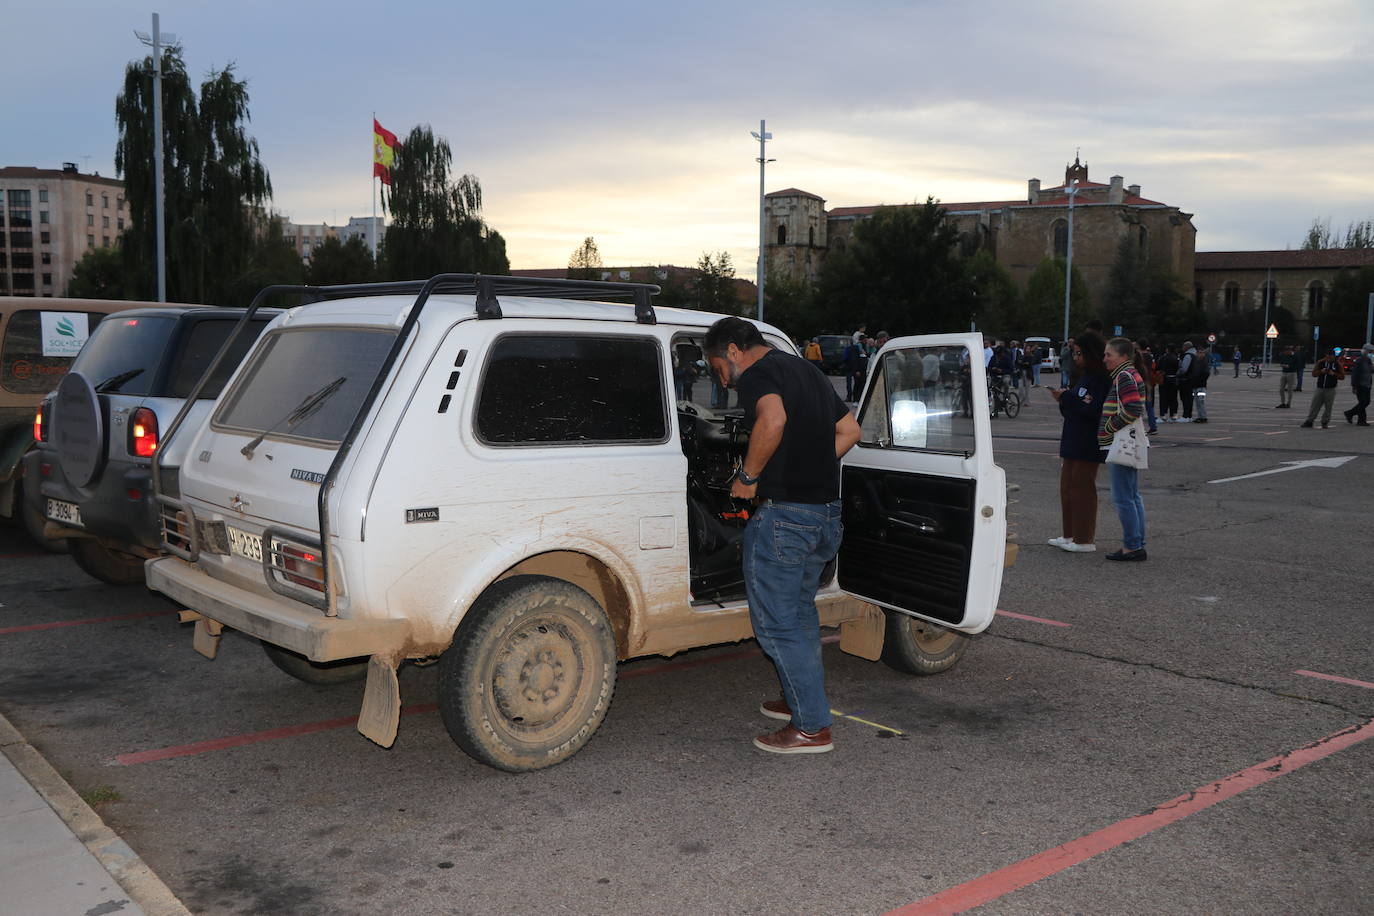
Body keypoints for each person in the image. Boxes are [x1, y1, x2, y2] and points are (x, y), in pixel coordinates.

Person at [704, 316, 862, 755]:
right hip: (825, 515)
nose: (721, 377)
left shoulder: (759, 375)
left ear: (733, 351)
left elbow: (771, 420)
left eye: (717, 366)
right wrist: (808, 466)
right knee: (799, 615)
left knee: (776, 625)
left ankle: (812, 727)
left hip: (786, 519)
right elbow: (851, 431)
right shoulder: (805, 369)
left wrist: (749, 476)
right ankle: (800, 699)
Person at [1048, 331, 1109, 553]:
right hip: (1073, 438)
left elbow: (1091, 409)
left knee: (1083, 489)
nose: (1075, 358)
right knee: (1068, 487)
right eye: (1074, 353)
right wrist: (1064, 398)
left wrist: (1066, 398)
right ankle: (1069, 534)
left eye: (1079, 353)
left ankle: (1084, 539)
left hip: (1088, 441)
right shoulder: (1083, 377)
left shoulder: (1101, 380)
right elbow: (1075, 406)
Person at [1100, 337, 1148, 561]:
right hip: (1130, 442)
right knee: (1132, 496)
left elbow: (1133, 408)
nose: (1105, 359)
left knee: (1123, 498)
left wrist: (1109, 427)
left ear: (1123, 356)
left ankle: (1132, 546)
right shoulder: (1130, 373)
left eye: (1109, 355)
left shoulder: (1124, 376)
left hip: (1122, 444)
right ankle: (1136, 542)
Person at [1300, 348, 1345, 428]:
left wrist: (1333, 373)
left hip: (1331, 389)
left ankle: (1325, 422)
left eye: (1330, 357)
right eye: (1327, 356)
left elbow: (1342, 376)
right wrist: (1321, 371)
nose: (1328, 358)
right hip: (1320, 388)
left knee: (1328, 407)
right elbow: (1314, 374)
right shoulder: (1321, 362)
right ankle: (1310, 421)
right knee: (1315, 405)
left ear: (1334, 356)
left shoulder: (1337, 364)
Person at [1342, 344, 1372, 426]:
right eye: (1369, 351)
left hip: (1367, 385)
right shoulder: (1360, 360)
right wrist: (1354, 386)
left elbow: (1369, 372)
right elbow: (1355, 374)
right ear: (1365, 351)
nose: (1370, 353)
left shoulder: (1368, 360)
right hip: (1360, 385)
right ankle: (1350, 413)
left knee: (1364, 402)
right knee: (1364, 402)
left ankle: (1361, 420)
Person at [1135, 339, 1158, 434]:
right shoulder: (1149, 356)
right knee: (1149, 406)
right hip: (1148, 382)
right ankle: (1153, 426)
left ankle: (1139, 428)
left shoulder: (1138, 357)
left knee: (1137, 406)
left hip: (1139, 382)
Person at [1177, 341, 1201, 422]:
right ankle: (1189, 416)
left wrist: (1178, 372)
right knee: (1190, 398)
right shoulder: (1195, 355)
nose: (1182, 348)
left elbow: (1184, 369)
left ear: (1187, 347)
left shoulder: (1187, 356)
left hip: (1185, 380)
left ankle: (1185, 416)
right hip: (1193, 379)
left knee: (1185, 398)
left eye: (1183, 346)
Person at [1157, 344, 1180, 421]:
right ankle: (1173, 414)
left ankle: (1163, 414)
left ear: (1167, 349)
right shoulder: (1175, 358)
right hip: (1173, 379)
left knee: (1163, 397)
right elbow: (1178, 368)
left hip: (1164, 379)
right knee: (1173, 397)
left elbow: (1158, 367)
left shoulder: (1162, 358)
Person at [842, 336, 869, 402]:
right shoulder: (859, 347)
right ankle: (855, 397)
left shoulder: (848, 349)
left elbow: (845, 358)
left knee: (849, 383)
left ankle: (849, 397)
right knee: (857, 383)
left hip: (849, 368)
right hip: (856, 367)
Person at [1191, 346, 1211, 423]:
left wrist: (1201, 380)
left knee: (1200, 401)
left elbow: (1206, 373)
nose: (1198, 354)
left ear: (1203, 353)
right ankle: (1200, 416)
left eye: (1200, 352)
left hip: (1201, 385)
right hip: (1196, 385)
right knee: (1197, 401)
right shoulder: (1196, 361)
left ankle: (1203, 417)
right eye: (1198, 352)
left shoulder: (1204, 362)